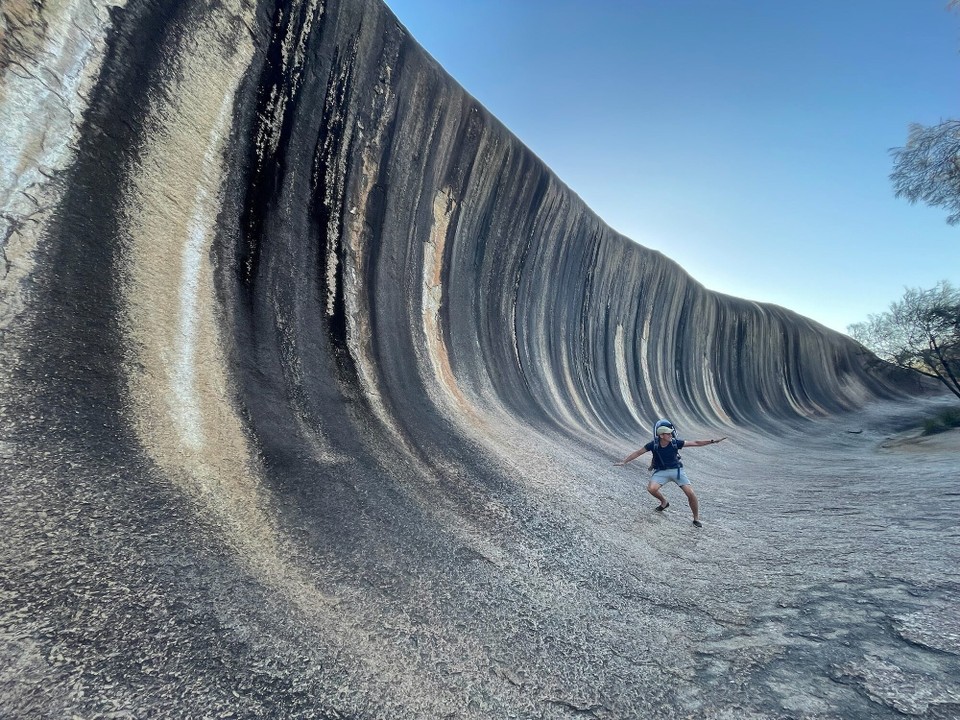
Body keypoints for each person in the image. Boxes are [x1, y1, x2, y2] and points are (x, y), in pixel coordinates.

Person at [614, 426, 727, 528]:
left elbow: (696, 443)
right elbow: (638, 453)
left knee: (691, 493)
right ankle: (664, 502)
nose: (671, 435)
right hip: (661, 472)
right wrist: (624, 462)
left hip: (677, 471)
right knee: (651, 489)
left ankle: (696, 518)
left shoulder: (675, 443)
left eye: (671, 433)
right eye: (668, 434)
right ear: (661, 436)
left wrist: (712, 441)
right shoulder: (653, 444)